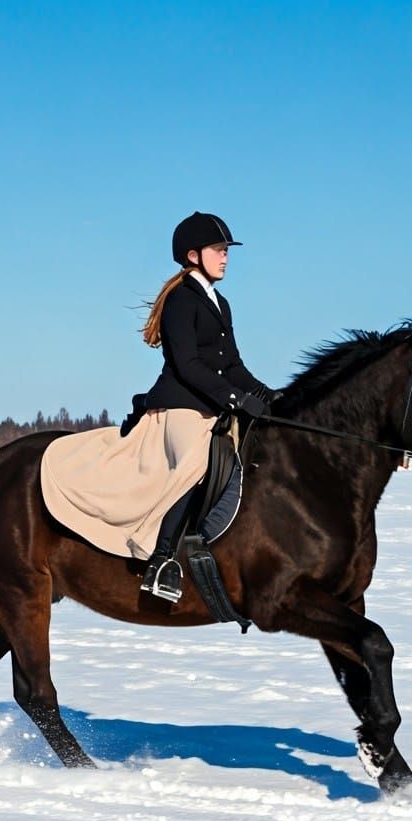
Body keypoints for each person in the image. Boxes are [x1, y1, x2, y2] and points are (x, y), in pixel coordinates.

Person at [134, 211, 279, 600]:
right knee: (196, 465)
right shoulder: (182, 299)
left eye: (226, 251)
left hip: (210, 406)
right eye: (219, 250)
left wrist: (270, 396)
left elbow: (233, 365)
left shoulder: (221, 303)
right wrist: (236, 399)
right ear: (194, 255)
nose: (225, 257)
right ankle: (161, 562)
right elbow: (188, 365)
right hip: (180, 407)